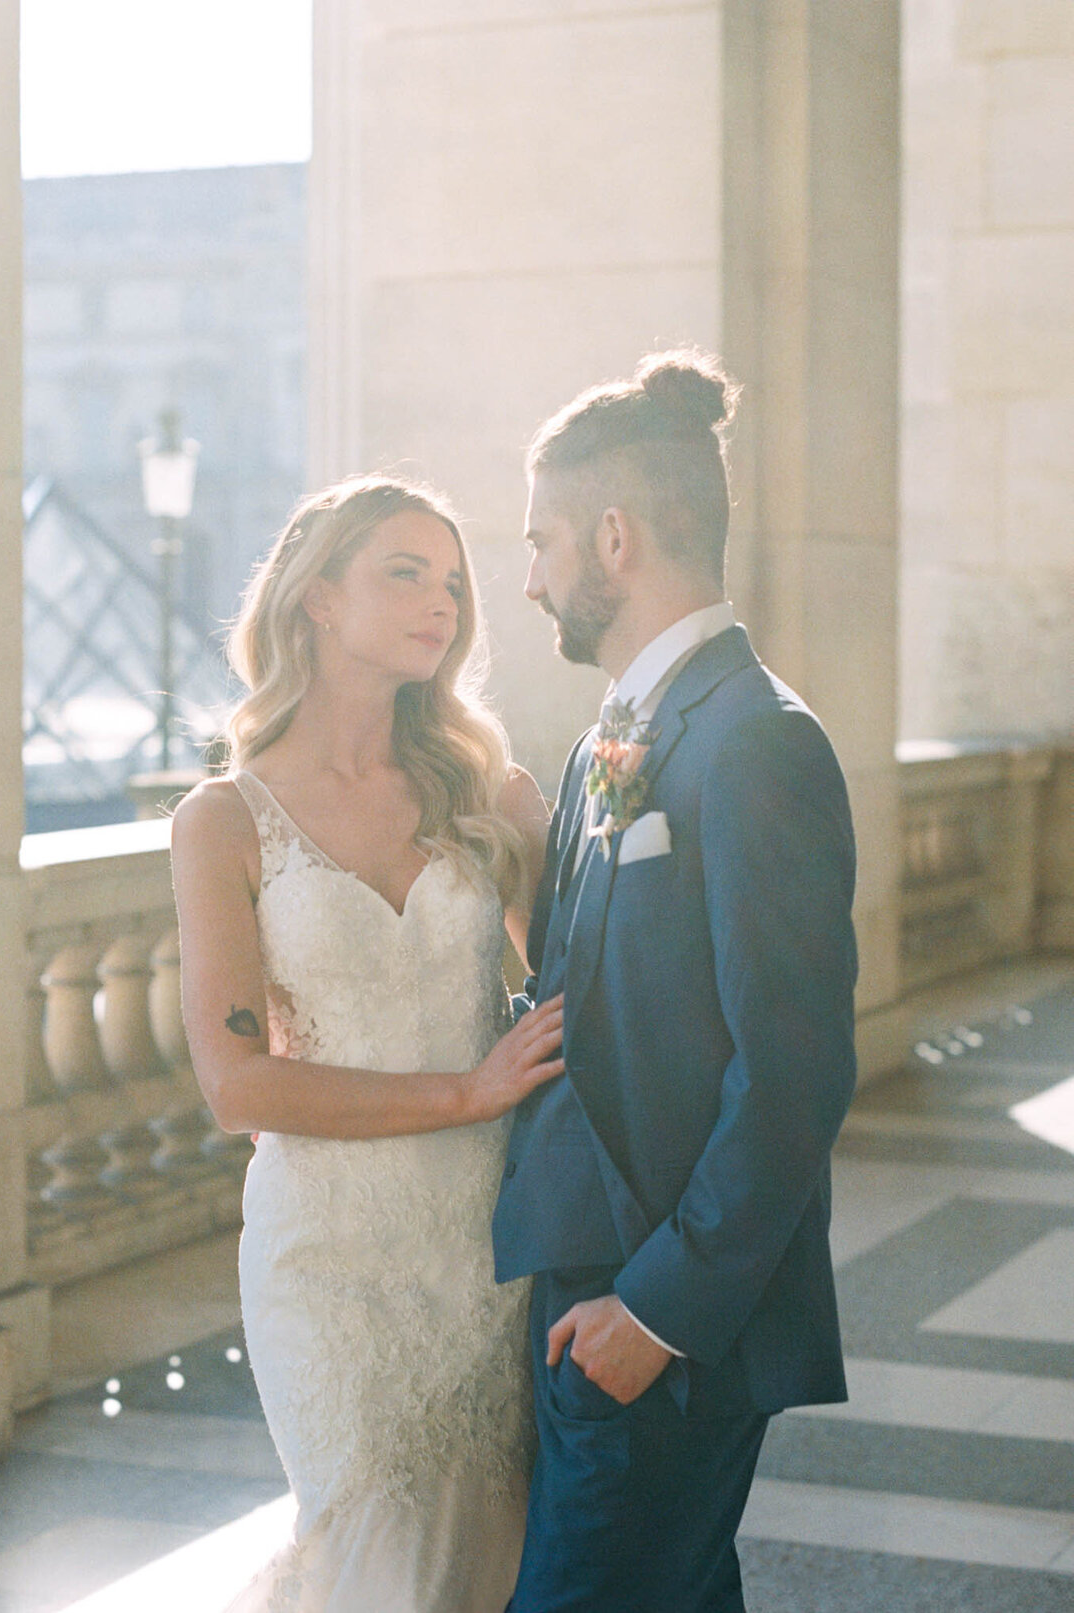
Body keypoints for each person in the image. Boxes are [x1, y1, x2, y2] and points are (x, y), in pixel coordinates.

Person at [493, 349, 859, 1612]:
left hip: (664, 1315)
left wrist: (651, 1314)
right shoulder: (617, 735)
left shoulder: (758, 742)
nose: (527, 578)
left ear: (614, 535)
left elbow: (796, 1072)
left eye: (539, 541)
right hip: (582, 1282)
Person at [171, 475, 560, 1612]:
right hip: (328, 1265)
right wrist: (465, 1089)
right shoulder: (224, 820)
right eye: (405, 571)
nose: (441, 601)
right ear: (317, 599)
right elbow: (239, 1086)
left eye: (452, 580)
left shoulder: (492, 792)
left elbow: (588, 980)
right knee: (382, 1569)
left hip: (487, 1244)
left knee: (484, 1563)